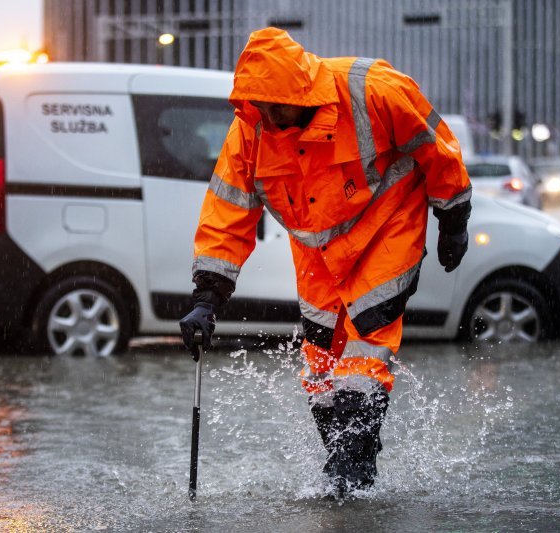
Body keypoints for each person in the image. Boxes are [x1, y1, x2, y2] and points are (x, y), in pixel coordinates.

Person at [179, 27, 471, 498]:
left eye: (276, 105)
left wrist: (453, 213)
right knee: (320, 362)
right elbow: (228, 210)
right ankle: (347, 467)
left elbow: (434, 145)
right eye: (260, 107)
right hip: (318, 253)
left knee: (367, 345)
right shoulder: (252, 128)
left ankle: (352, 474)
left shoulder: (373, 90)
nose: (269, 118)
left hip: (387, 229)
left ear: (300, 90)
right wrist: (206, 297)